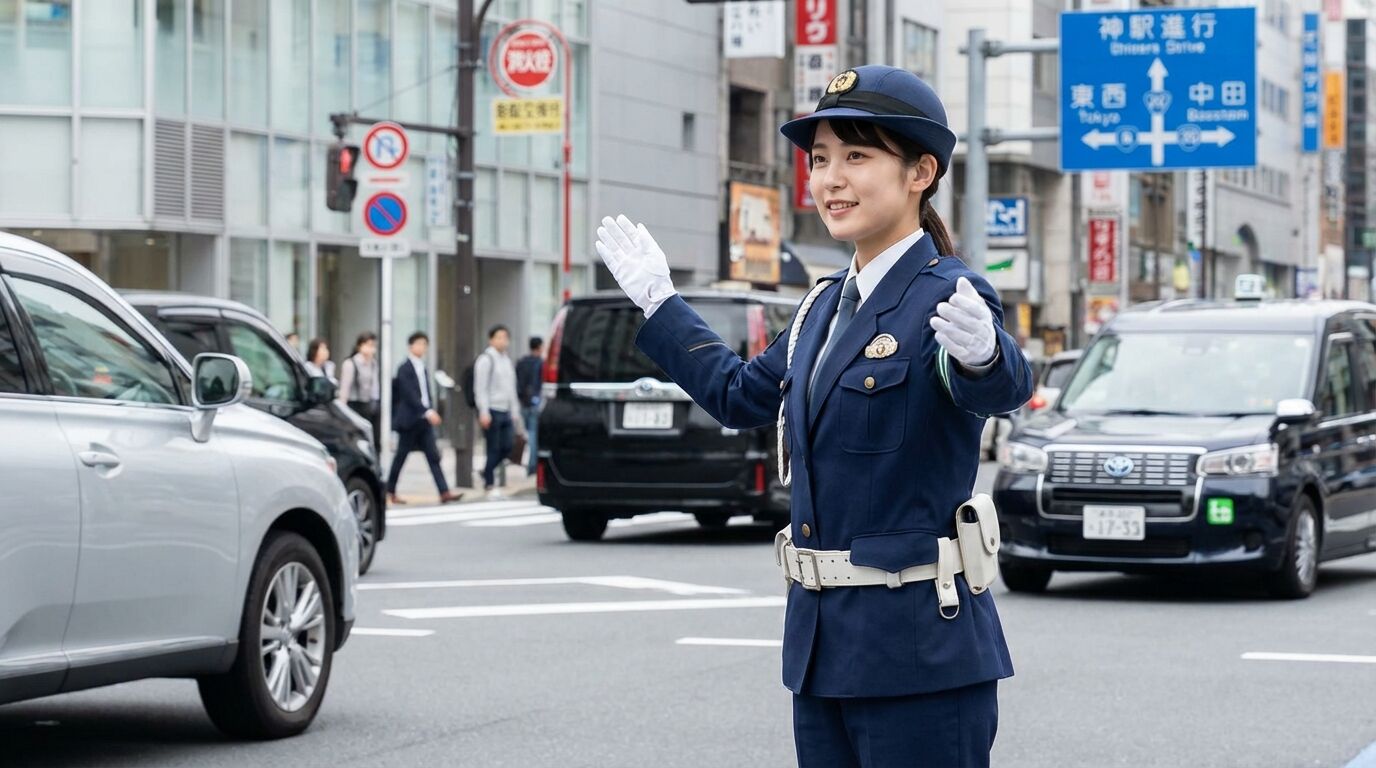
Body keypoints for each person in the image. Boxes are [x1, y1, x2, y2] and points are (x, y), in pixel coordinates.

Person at [594, 65, 1033, 768]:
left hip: (919, 652)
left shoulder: (951, 293)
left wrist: (985, 356)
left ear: (920, 172)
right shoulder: (820, 308)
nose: (831, 178)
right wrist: (661, 305)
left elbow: (996, 386)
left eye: (857, 157)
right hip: (822, 649)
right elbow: (741, 396)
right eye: (821, 158)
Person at [386, 331, 462, 505]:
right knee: (401, 456)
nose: (422, 347)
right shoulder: (404, 368)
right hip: (410, 419)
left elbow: (425, 393)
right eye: (419, 344)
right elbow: (409, 394)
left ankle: (444, 492)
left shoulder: (423, 367)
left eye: (424, 344)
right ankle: (390, 490)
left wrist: (429, 410)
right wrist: (427, 411)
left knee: (433, 455)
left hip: (423, 420)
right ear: (411, 346)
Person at [473, 325, 526, 499]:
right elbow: (480, 388)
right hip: (492, 410)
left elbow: (511, 389)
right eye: (499, 337)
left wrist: (515, 411)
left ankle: (486, 471)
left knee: (508, 446)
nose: (503, 341)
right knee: (493, 448)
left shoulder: (507, 361)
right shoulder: (486, 359)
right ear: (491, 339)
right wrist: (484, 411)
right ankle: (489, 482)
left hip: (506, 410)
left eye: (505, 337)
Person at [338, 331, 381, 446]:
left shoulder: (373, 363)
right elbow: (345, 388)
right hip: (354, 404)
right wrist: (342, 409)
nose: (371, 349)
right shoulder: (350, 363)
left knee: (371, 438)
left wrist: (375, 403)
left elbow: (375, 386)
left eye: (373, 346)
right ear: (360, 346)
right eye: (368, 345)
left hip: (368, 404)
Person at [515, 336, 544, 474]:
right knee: (533, 434)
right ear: (540, 347)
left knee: (527, 433)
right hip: (535, 402)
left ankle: (530, 464)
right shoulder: (540, 363)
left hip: (523, 402)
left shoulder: (521, 362)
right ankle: (532, 466)